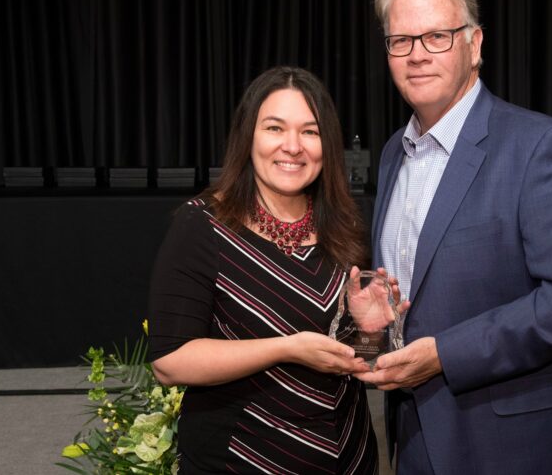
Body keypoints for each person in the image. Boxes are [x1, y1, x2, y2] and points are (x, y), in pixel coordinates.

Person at [355, 0, 552, 474]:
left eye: (436, 36)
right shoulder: (394, 153)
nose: (417, 55)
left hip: (517, 445)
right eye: (401, 40)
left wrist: (445, 354)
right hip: (416, 437)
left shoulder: (539, 147)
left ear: (474, 45)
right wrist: (376, 322)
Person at [148, 66, 383, 474]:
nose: (293, 146)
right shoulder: (203, 226)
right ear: (248, 136)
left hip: (348, 456)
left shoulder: (345, 226)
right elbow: (170, 362)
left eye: (309, 132)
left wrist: (371, 334)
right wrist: (286, 347)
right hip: (243, 458)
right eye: (275, 128)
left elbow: (358, 362)